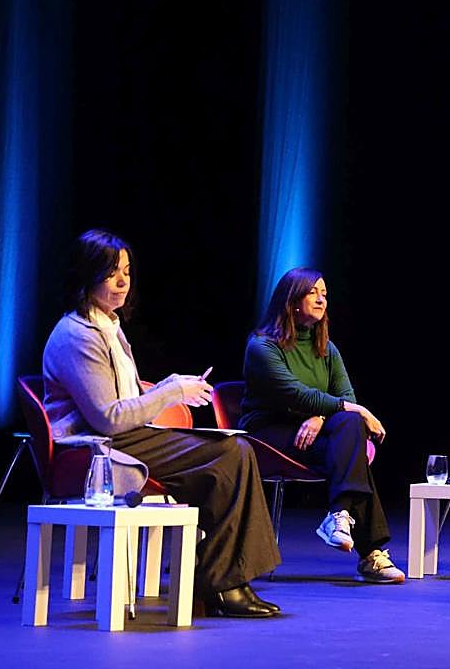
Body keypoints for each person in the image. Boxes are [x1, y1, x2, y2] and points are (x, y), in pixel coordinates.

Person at [42, 229, 283, 618]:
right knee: (230, 455)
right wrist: (170, 389)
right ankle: (220, 583)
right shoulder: (77, 335)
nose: (123, 283)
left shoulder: (108, 325)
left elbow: (128, 400)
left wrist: (173, 393)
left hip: (126, 438)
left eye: (127, 272)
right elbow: (108, 417)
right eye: (111, 274)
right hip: (98, 448)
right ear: (86, 276)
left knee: (234, 450)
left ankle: (219, 580)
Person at [240, 267, 403, 584]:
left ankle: (339, 516)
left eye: (324, 293)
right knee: (352, 439)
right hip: (269, 434)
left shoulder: (326, 348)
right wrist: (348, 409)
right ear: (291, 299)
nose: (320, 299)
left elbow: (343, 397)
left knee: (349, 427)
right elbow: (293, 393)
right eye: (312, 292)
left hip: (312, 431)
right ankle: (371, 553)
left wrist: (321, 416)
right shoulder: (262, 346)